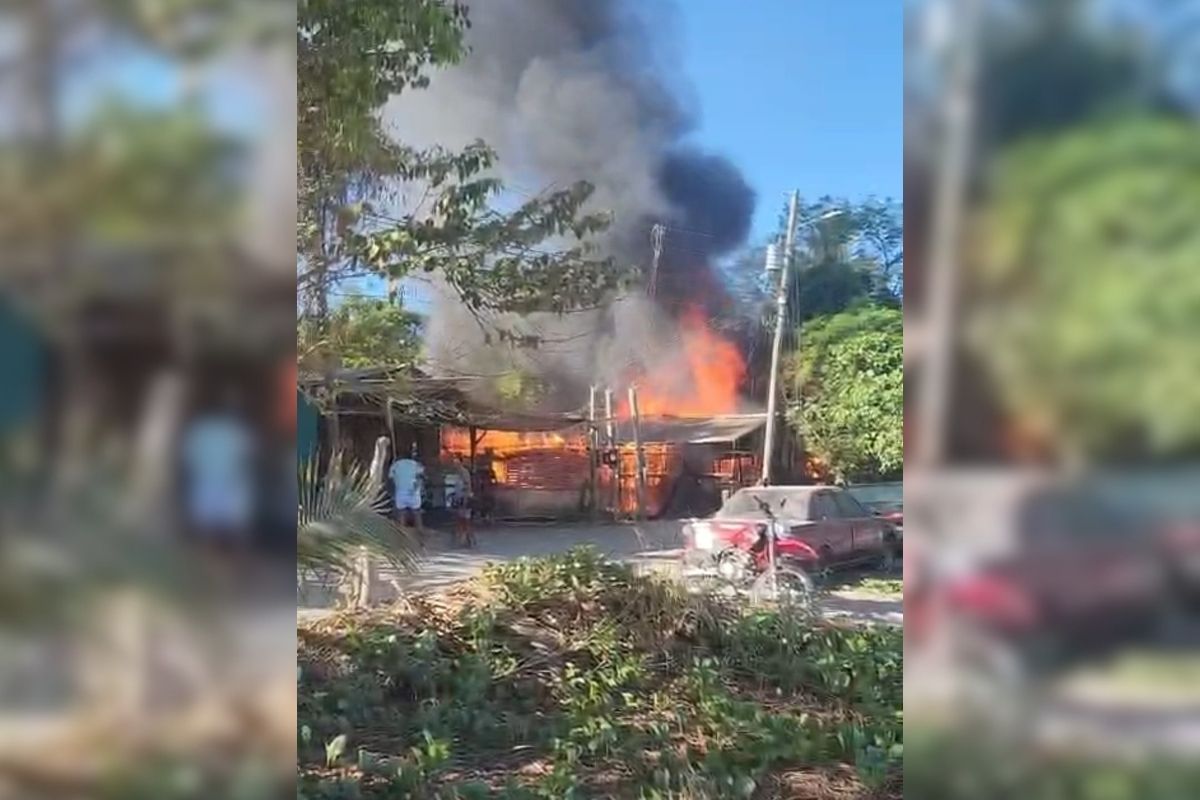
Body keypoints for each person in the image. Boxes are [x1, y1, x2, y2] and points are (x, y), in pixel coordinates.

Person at [181, 388, 256, 552]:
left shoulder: (202, 429)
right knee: (233, 536)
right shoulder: (239, 430)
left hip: (211, 488)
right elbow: (247, 458)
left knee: (209, 537)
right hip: (228, 489)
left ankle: (211, 568)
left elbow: (190, 459)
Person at [389, 444, 426, 544]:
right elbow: (421, 476)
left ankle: (402, 542)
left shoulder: (396, 464)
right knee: (417, 517)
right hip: (413, 492)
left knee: (401, 517)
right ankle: (421, 541)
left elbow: (391, 478)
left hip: (401, 492)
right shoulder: (416, 464)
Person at [450, 455, 475, 548]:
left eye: (457, 463)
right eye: (454, 463)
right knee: (460, 520)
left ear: (461, 463)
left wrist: (465, 499)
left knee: (465, 521)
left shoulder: (464, 472)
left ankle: (468, 540)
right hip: (459, 498)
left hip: (464, 499)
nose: (455, 465)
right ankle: (465, 540)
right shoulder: (457, 473)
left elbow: (467, 486)